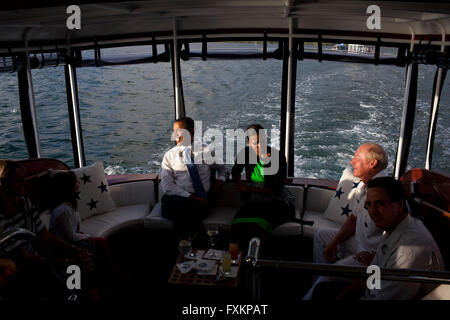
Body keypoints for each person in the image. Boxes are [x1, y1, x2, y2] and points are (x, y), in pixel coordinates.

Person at [0, 159, 95, 300]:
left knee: (84, 260)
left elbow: (46, 237)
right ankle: (74, 294)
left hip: (41, 258)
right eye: (18, 180)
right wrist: (68, 261)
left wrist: (75, 251)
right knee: (72, 269)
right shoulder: (1, 218)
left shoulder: (25, 203)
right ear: (3, 184)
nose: (24, 183)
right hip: (24, 271)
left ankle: (81, 293)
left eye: (23, 179)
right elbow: (27, 260)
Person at [336, 177, 445, 300]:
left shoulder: (409, 250)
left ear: (399, 204)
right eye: (369, 204)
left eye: (380, 204)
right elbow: (373, 274)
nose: (373, 211)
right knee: (324, 288)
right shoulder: (392, 228)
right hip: (374, 291)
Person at [303, 142, 388, 300]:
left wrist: (376, 258)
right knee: (321, 237)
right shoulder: (364, 186)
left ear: (373, 163)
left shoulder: (383, 193)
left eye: (357, 158)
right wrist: (333, 242)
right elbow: (354, 219)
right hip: (360, 240)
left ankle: (319, 287)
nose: (352, 161)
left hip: (370, 254)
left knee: (328, 276)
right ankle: (318, 284)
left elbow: (393, 234)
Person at [161, 117, 229, 238]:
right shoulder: (169, 156)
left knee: (185, 213)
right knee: (181, 209)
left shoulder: (205, 151)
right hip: (178, 198)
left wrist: (220, 181)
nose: (175, 136)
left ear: (191, 132)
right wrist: (190, 197)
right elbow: (167, 186)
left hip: (200, 199)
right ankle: (195, 247)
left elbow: (224, 169)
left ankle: (185, 250)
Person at [231, 124, 294, 244]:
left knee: (258, 227)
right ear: (248, 143)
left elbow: (276, 190)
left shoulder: (277, 157)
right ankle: (239, 258)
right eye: (256, 143)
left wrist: (248, 188)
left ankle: (259, 258)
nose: (261, 146)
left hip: (276, 202)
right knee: (237, 225)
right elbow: (235, 172)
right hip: (255, 201)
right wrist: (239, 185)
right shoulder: (245, 154)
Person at [48, 170, 118, 274]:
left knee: (100, 243)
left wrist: (84, 235)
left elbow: (75, 229)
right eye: (76, 182)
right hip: (63, 246)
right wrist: (88, 237)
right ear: (69, 187)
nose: (79, 183)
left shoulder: (70, 204)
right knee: (94, 247)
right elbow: (70, 236)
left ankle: (110, 271)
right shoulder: (63, 210)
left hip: (70, 240)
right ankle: (107, 273)